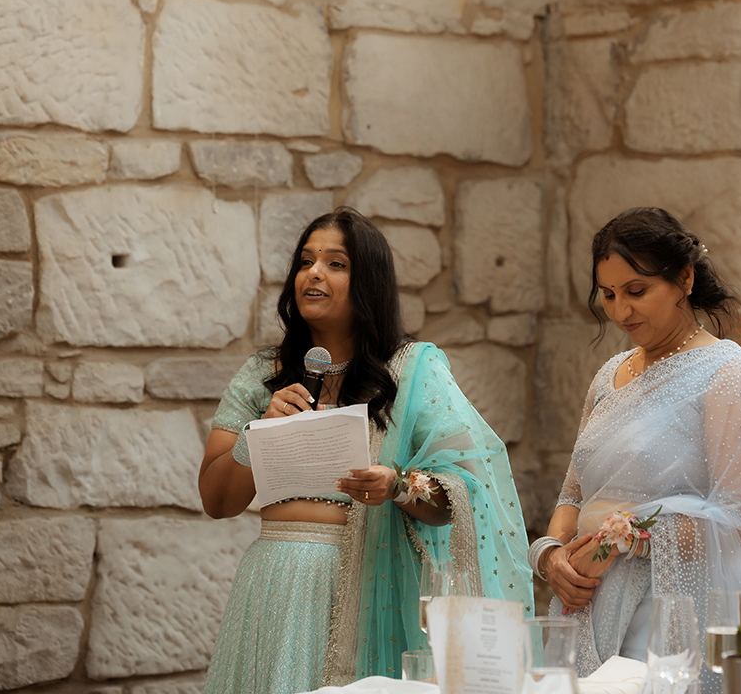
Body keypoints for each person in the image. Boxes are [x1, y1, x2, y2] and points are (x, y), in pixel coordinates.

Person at [198, 207, 532, 694]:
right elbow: (216, 501)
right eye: (306, 261)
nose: (313, 273)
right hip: (276, 584)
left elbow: (464, 493)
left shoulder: (411, 372)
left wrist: (397, 487)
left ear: (367, 282)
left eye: (335, 263)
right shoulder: (261, 374)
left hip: (374, 588)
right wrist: (257, 433)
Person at [527, 207, 741, 686]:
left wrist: (622, 541)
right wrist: (553, 555)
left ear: (684, 278)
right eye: (610, 295)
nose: (621, 312)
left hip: (669, 608)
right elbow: (574, 493)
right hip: (586, 598)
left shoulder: (725, 372)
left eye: (637, 292)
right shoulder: (609, 375)